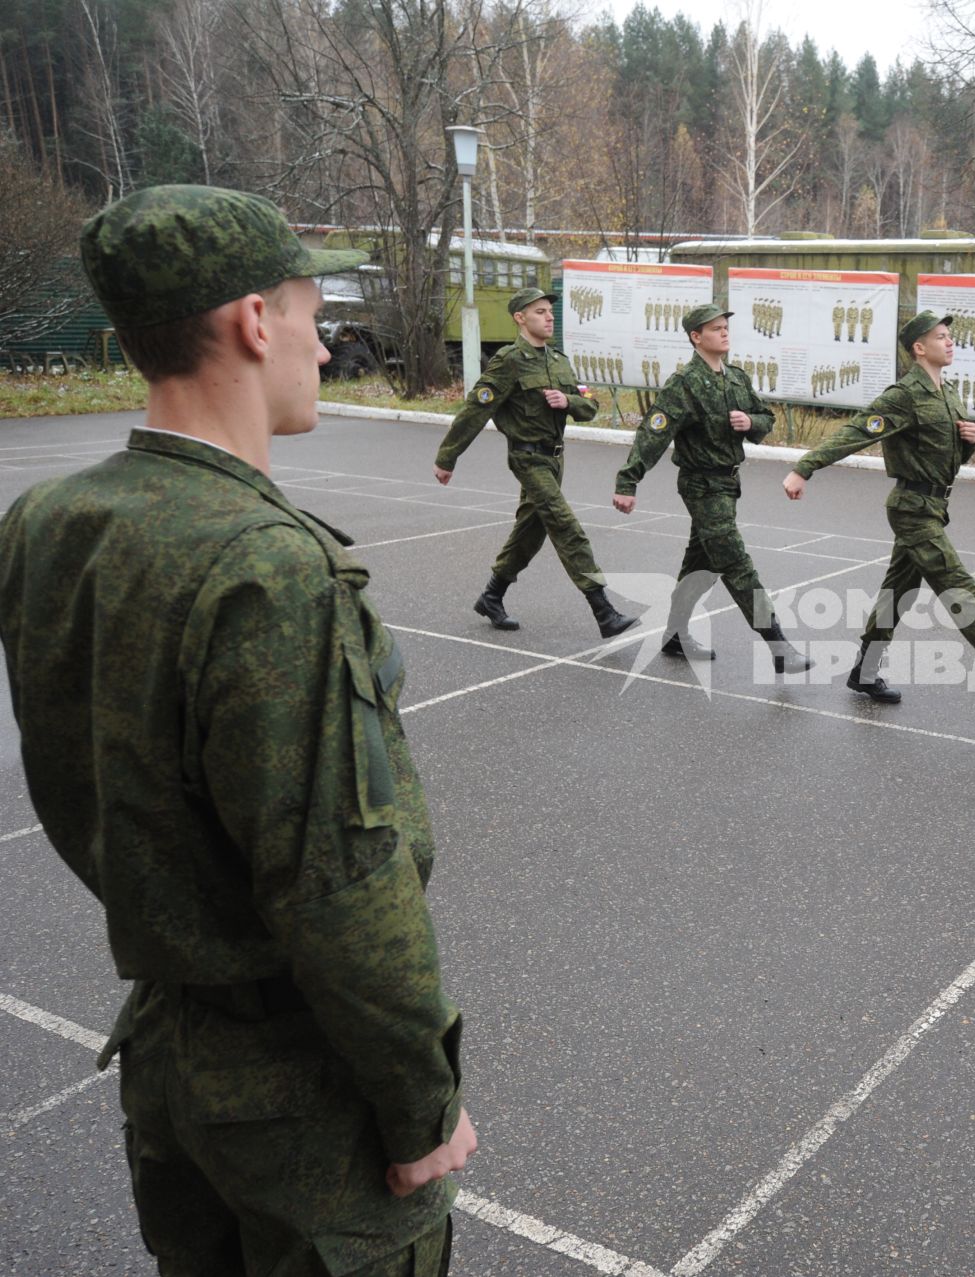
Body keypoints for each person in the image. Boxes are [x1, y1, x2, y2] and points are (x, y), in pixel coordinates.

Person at [0, 184, 473, 1275]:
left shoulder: (49, 521)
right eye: (313, 313)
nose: (320, 340)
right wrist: (420, 1101)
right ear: (256, 322)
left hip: (168, 1057)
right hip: (300, 1093)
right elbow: (340, 882)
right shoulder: (268, 564)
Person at [784, 311, 975, 704]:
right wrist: (803, 468)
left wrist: (970, 440)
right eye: (941, 337)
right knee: (957, 584)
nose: (950, 342)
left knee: (897, 594)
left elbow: (950, 459)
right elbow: (857, 431)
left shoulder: (948, 393)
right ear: (919, 348)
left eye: (949, 336)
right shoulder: (905, 395)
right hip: (912, 507)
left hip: (933, 504)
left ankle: (863, 672)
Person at [612, 303, 810, 672]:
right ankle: (778, 645)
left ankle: (673, 633)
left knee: (700, 564)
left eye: (725, 327)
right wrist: (628, 480)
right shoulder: (684, 384)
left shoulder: (736, 378)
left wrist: (750, 420)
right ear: (695, 337)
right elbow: (653, 433)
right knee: (735, 561)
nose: (724, 332)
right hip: (701, 485)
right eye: (715, 328)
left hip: (729, 483)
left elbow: (766, 420)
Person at [434, 286, 634, 638]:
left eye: (550, 311)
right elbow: (476, 410)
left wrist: (567, 401)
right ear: (520, 318)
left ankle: (491, 596)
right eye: (540, 311)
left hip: (555, 459)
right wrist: (447, 457)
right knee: (565, 526)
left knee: (531, 530)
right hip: (527, 458)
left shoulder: (558, 361)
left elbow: (589, 407)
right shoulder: (509, 360)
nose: (548, 316)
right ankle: (604, 611)